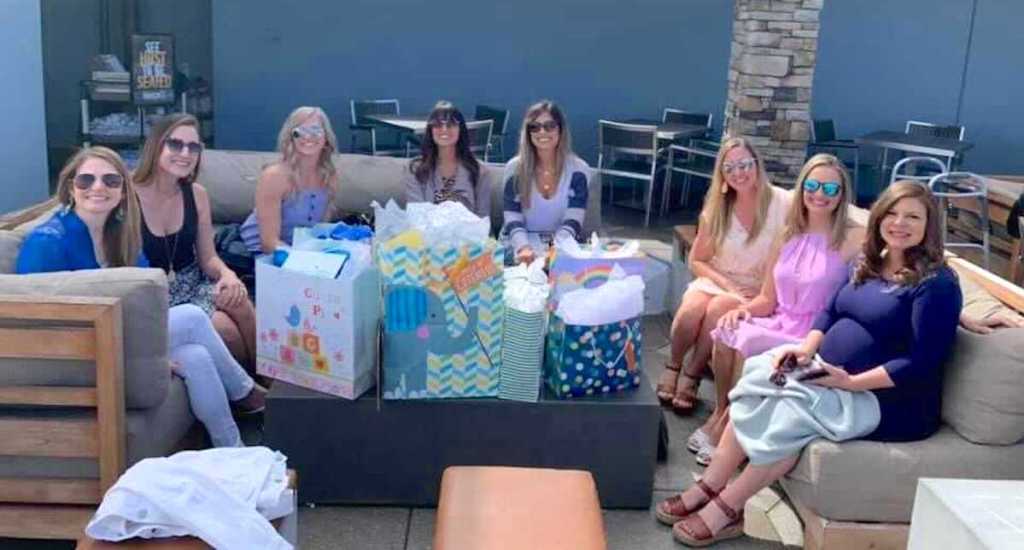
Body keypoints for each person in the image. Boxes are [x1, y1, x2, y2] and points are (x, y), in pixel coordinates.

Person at [656, 181, 962, 546]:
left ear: (930, 226)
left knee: (791, 412)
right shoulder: (867, 262)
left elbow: (921, 361)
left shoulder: (936, 284)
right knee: (758, 380)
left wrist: (849, 382)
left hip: (889, 400)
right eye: (892, 213)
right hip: (827, 374)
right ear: (878, 217)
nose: (900, 223)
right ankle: (710, 484)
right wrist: (805, 350)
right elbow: (829, 311)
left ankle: (728, 508)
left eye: (913, 216)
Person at [16, 147, 265, 448]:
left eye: (110, 181)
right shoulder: (48, 242)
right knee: (193, 317)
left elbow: (150, 298)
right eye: (86, 180)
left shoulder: (120, 234)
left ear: (123, 192)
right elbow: (31, 323)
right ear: (71, 188)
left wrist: (152, 354)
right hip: (79, 355)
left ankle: (233, 450)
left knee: (196, 356)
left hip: (124, 340)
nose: (98, 188)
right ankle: (246, 393)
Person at [685, 154, 864, 464]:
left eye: (830, 189)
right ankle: (721, 412)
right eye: (812, 185)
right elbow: (767, 299)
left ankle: (729, 427)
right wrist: (743, 310)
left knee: (749, 342)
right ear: (802, 187)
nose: (820, 194)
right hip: (781, 318)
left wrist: (960, 312)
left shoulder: (855, 237)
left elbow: (898, 269)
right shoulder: (788, 233)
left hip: (814, 330)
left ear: (842, 194)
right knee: (727, 330)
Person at [660, 137, 790, 414]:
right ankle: (673, 364)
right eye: (729, 168)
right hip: (719, 277)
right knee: (691, 310)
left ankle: (692, 375)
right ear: (721, 174)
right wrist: (726, 284)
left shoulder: (783, 203)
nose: (738, 173)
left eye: (744, 164)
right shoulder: (717, 208)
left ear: (757, 164)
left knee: (719, 309)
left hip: (757, 287)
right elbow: (697, 259)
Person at [134, 114, 256, 371]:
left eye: (193, 147)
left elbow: (208, 257)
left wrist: (227, 274)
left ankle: (271, 384)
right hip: (156, 294)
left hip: (193, 281)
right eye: (175, 144)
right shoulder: (127, 195)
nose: (185, 153)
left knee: (241, 302)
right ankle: (246, 396)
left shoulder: (197, 195)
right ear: (156, 145)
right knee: (227, 331)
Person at [239, 106, 340, 254]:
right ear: (291, 137)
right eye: (299, 132)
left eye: (316, 130)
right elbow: (268, 243)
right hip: (257, 254)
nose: (308, 137)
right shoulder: (274, 176)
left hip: (300, 254)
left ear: (326, 138)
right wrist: (305, 261)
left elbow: (318, 233)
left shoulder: (330, 176)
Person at [501, 100, 590, 264]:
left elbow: (574, 220)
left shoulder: (579, 170)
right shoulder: (514, 168)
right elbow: (512, 217)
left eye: (549, 126)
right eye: (534, 127)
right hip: (519, 244)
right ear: (528, 133)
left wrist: (555, 249)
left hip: (560, 244)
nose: (542, 132)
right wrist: (523, 248)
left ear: (560, 129)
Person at [404, 100, 490, 219]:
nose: (444, 129)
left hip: (468, 235)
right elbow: (416, 215)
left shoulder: (479, 170)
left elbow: (483, 218)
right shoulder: (415, 169)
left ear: (461, 130)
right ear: (431, 130)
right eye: (438, 125)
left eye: (450, 124)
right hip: (426, 234)